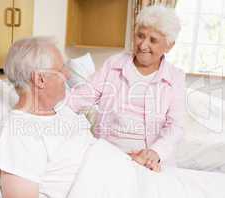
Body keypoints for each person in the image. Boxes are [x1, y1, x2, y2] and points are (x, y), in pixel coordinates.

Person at [0, 36, 225, 198]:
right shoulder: (20, 133)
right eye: (61, 69)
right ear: (40, 79)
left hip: (135, 177)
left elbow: (90, 153)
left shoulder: (61, 111)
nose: (67, 74)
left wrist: (129, 160)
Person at [68, 4, 184, 172]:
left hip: (147, 160)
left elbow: (176, 126)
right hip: (109, 152)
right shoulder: (114, 64)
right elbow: (82, 96)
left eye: (153, 40)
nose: (143, 45)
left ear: (169, 45)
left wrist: (155, 152)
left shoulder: (175, 77)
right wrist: (51, 110)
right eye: (140, 36)